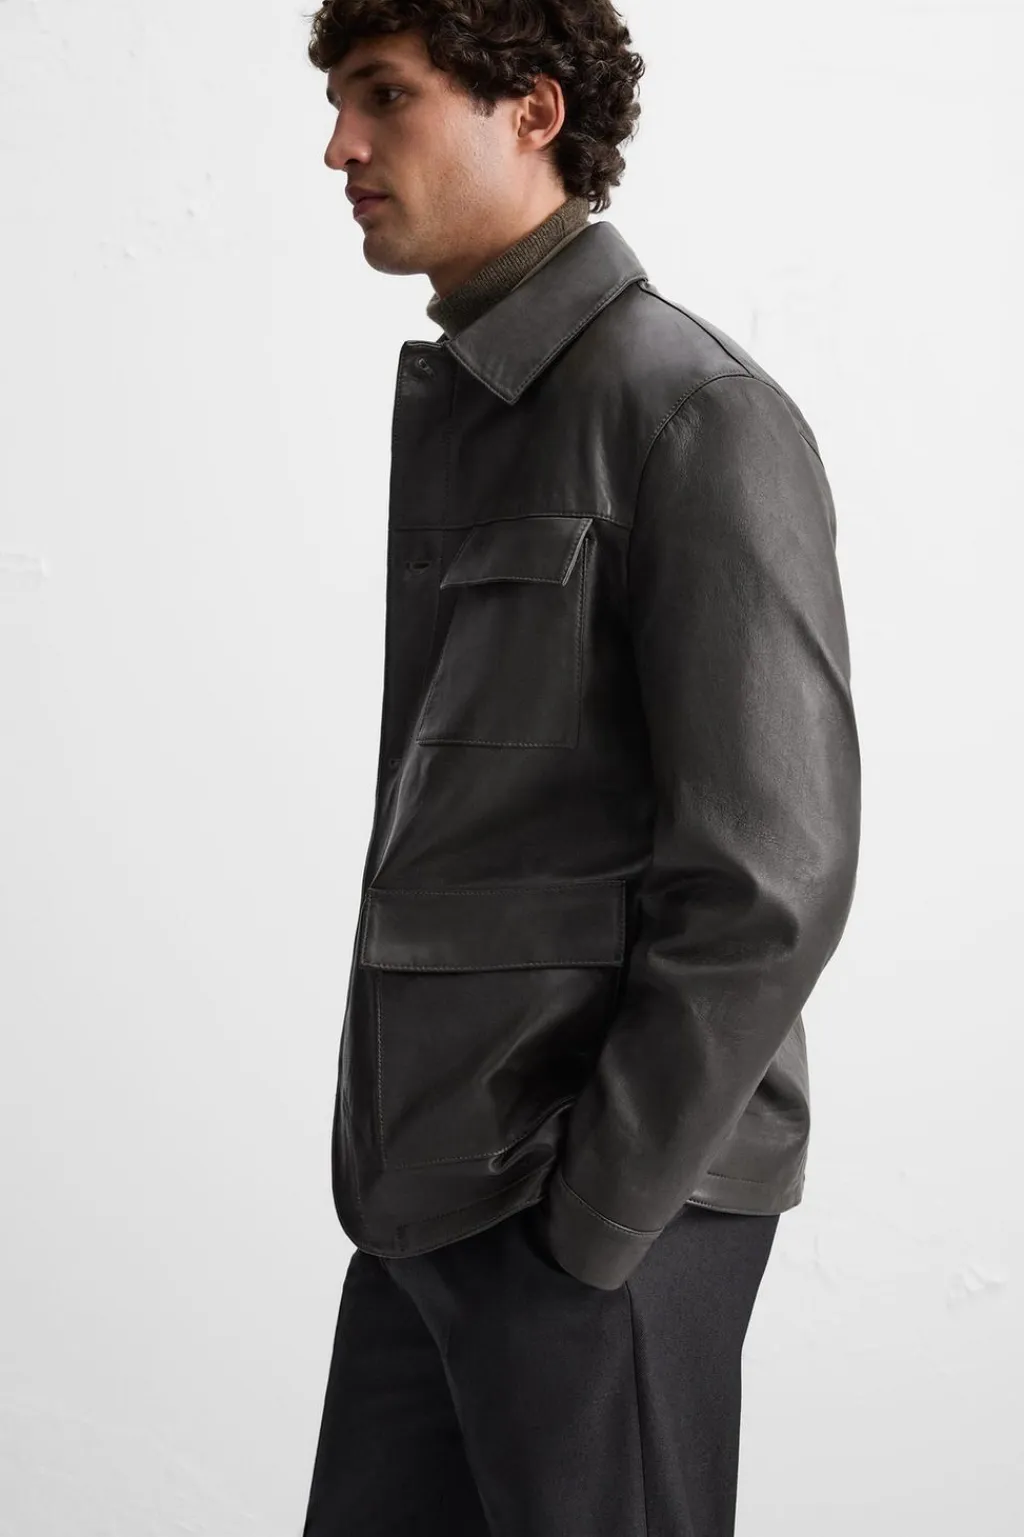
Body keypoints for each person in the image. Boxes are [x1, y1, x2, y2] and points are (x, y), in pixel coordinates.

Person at [300, 5, 861, 1534]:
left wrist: (596, 1218)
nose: (341, 146)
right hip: (428, 1202)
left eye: (385, 97)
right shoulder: (483, 404)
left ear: (533, 111)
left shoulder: (690, 412)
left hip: (589, 1217)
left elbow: (772, 879)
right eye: (339, 102)